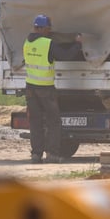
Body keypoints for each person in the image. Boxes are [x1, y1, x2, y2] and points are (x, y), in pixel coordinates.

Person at [23, 14, 82, 164]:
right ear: (44, 28)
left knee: (35, 122)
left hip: (30, 88)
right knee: (53, 122)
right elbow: (66, 56)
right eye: (49, 28)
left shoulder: (27, 42)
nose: (50, 31)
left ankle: (36, 155)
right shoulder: (48, 44)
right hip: (45, 89)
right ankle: (52, 155)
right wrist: (77, 44)